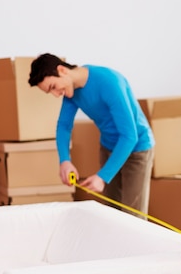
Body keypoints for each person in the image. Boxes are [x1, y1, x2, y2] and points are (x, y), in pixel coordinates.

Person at [28, 54, 155, 215]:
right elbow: (64, 126)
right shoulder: (71, 91)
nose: (55, 94)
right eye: (50, 92)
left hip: (137, 148)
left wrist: (102, 177)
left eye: (53, 86)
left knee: (133, 218)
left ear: (62, 70)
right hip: (109, 147)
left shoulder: (109, 82)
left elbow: (130, 136)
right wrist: (65, 161)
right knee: (111, 214)